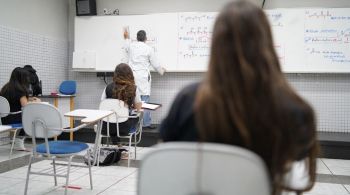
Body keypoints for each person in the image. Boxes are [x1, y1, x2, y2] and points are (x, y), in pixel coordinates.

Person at [159, 1, 318, 195]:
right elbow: (295, 172)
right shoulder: (295, 110)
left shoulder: (187, 101)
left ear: (216, 45)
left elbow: (165, 158)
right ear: (266, 43)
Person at [123, 29, 166, 129]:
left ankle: (132, 123)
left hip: (132, 77)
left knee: (132, 99)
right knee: (145, 102)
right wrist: (162, 71)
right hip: (143, 78)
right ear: (145, 38)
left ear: (137, 38)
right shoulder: (149, 49)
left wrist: (126, 36)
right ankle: (146, 124)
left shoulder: (131, 46)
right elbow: (155, 64)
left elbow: (126, 45)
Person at [100, 63, 142, 144]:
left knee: (113, 119)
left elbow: (102, 105)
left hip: (106, 127)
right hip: (124, 128)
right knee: (136, 116)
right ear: (130, 74)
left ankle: (118, 147)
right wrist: (130, 105)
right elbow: (138, 108)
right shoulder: (133, 88)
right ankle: (119, 148)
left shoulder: (107, 87)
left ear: (116, 74)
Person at [0, 67, 41, 150]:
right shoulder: (20, 90)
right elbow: (25, 105)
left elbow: (14, 100)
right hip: (16, 120)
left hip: (5, 119)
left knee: (20, 114)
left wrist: (29, 99)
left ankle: (13, 139)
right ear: (22, 78)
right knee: (31, 119)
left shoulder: (5, 88)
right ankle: (19, 142)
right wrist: (36, 101)